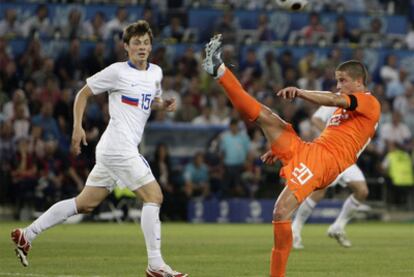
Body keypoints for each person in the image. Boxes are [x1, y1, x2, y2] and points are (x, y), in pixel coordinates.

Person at [11, 20, 188, 277]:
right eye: (136, 43)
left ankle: (26, 234)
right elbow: (83, 93)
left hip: (112, 148)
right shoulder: (116, 72)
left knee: (85, 203)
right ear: (125, 47)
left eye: (146, 42)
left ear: (151, 47)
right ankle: (155, 265)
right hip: (119, 146)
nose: (142, 47)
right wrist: (77, 127)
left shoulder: (155, 73)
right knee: (155, 196)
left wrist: (164, 104)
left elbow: (147, 100)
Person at [202, 34, 380, 277]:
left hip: (326, 162)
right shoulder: (345, 107)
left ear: (359, 82)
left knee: (280, 211)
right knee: (266, 117)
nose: (338, 85)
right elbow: (333, 108)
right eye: (337, 80)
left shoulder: (370, 103)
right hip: (311, 150)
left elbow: (332, 98)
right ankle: (219, 70)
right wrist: (279, 150)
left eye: (342, 80)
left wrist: (299, 92)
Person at [290, 103, 370, 249]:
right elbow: (316, 119)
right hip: (328, 153)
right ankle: (295, 229)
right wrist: (333, 135)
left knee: (362, 191)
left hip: (346, 156)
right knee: (319, 191)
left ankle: (338, 226)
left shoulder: (361, 105)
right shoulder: (336, 101)